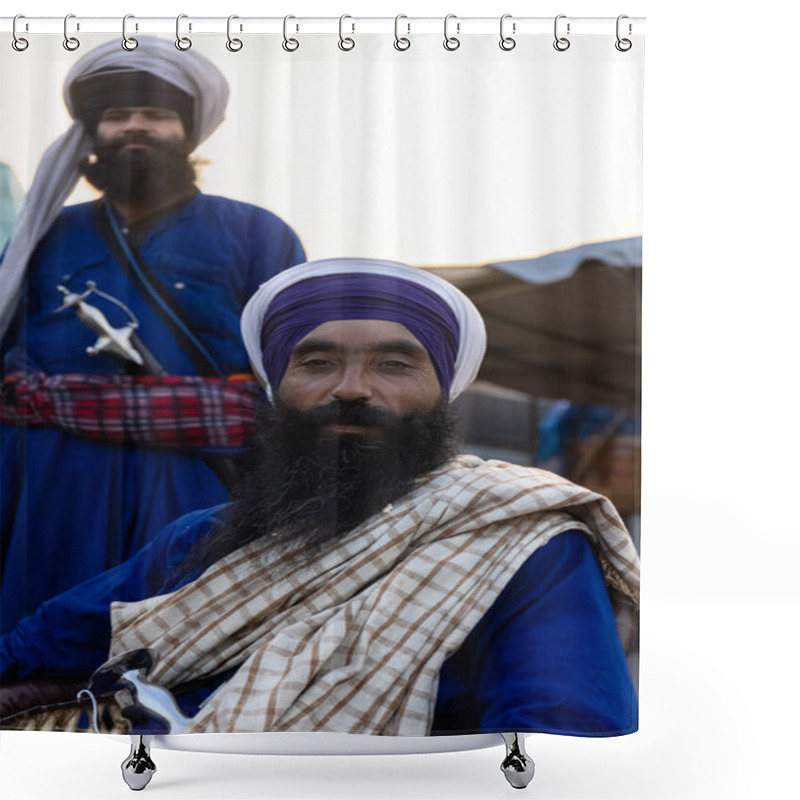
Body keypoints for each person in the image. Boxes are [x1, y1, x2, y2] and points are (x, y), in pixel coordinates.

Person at [0, 258, 639, 738]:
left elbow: (564, 744)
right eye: (316, 363)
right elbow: (38, 643)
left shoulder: (521, 543)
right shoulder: (202, 538)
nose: (353, 388)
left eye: (394, 364)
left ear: (442, 392)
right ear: (277, 389)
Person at [0, 37, 306, 630]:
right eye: (116, 115)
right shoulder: (44, 236)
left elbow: (295, 369)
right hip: (52, 480)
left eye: (156, 114)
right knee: (33, 636)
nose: (134, 126)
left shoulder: (256, 233)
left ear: (189, 132)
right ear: (92, 133)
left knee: (179, 634)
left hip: (199, 474)